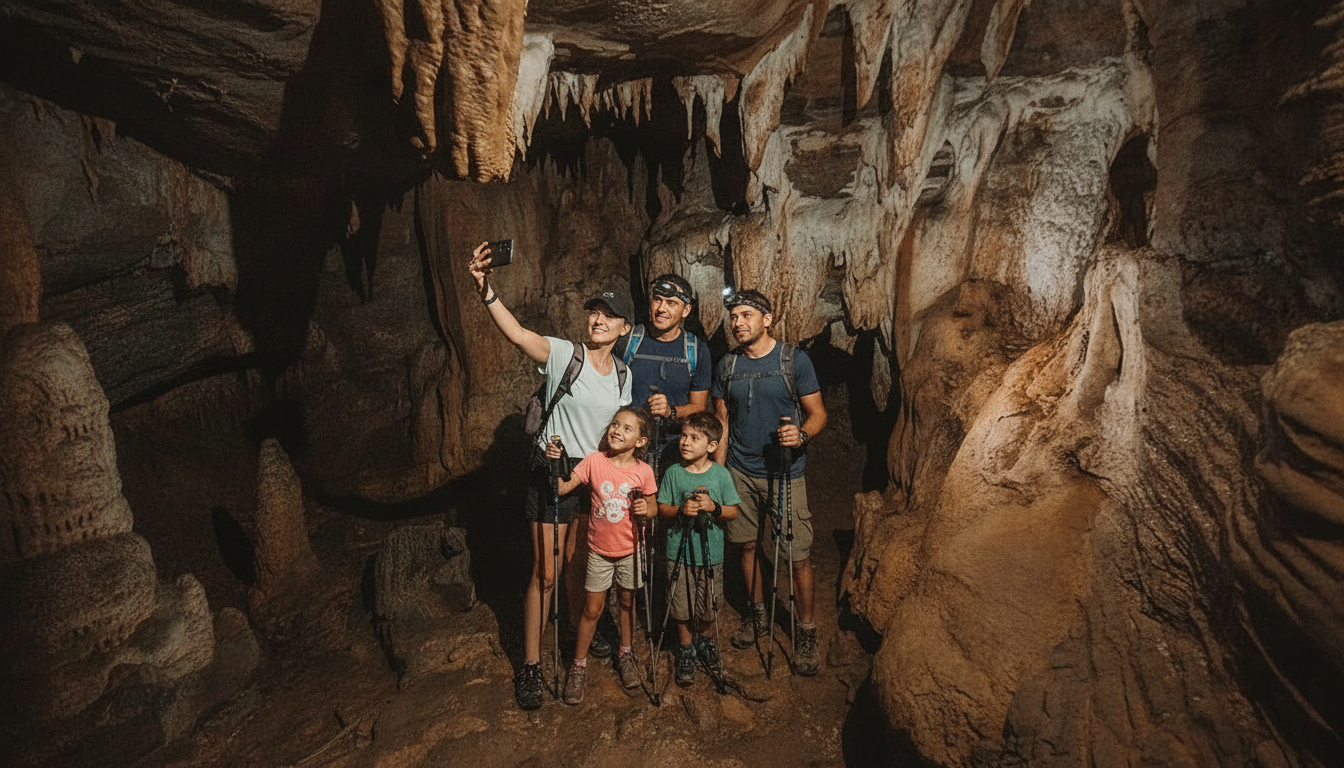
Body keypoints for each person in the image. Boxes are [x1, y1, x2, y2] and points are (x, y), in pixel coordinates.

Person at [467, 241, 635, 710]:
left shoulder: (624, 376)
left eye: (608, 316)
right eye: (594, 312)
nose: (598, 320)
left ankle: (579, 634)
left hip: (593, 476)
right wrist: (486, 290)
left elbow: (618, 431)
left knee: (581, 564)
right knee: (545, 573)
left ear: (624, 328)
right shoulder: (566, 354)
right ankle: (531, 665)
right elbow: (518, 335)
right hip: (554, 470)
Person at [711, 288, 828, 676]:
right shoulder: (727, 365)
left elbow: (817, 413)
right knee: (746, 546)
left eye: (746, 315)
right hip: (740, 471)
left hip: (784, 473)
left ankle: (806, 629)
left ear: (767, 319)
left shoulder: (794, 361)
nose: (738, 323)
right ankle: (758, 612)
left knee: (797, 555)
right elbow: (722, 422)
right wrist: (718, 474)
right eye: (734, 317)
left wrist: (802, 435)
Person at [547, 406, 658, 704]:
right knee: (592, 609)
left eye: (626, 428)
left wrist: (646, 509)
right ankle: (578, 666)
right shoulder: (594, 462)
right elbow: (562, 488)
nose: (617, 430)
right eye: (615, 424)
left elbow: (653, 506)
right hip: (599, 552)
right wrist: (554, 463)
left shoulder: (644, 471)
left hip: (631, 551)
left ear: (641, 441)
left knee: (626, 602)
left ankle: (625, 653)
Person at [657, 411, 740, 687]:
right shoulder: (673, 473)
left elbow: (733, 511)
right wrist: (680, 509)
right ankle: (686, 648)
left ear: (712, 446)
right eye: (684, 436)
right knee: (680, 603)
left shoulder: (721, 475)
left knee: (708, 604)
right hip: (679, 552)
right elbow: (662, 508)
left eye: (695, 438)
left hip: (711, 553)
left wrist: (714, 508)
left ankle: (704, 640)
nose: (685, 442)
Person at [617, 274, 713, 475]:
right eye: (657, 300)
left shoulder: (696, 350)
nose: (661, 308)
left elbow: (699, 406)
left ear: (686, 310)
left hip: (673, 449)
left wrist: (671, 411)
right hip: (628, 447)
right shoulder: (628, 341)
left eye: (671, 303)